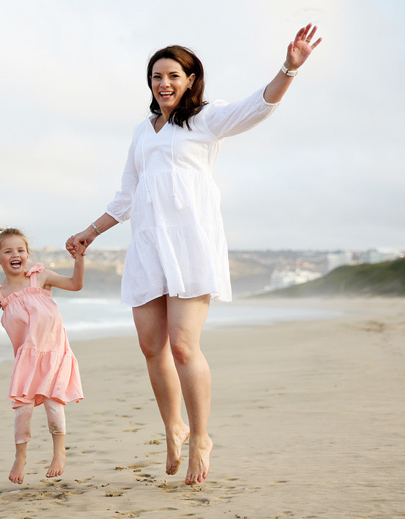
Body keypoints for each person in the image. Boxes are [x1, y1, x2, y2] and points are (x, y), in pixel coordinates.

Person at [66, 25, 322, 485]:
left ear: (190, 80)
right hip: (148, 245)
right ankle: (174, 426)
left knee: (183, 346)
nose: (163, 83)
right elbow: (127, 195)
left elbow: (258, 106)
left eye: (172, 76)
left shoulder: (205, 119)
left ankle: (201, 437)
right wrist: (90, 232)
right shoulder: (142, 132)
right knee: (151, 345)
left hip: (190, 244)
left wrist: (288, 68)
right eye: (156, 76)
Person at [0, 228, 84, 484]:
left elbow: (75, 284)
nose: (15, 254)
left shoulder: (40, 277)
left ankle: (59, 453)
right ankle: (20, 456)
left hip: (54, 352)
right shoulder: (0, 293)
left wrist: (79, 258)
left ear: (27, 254)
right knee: (22, 408)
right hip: (27, 359)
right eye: (8, 251)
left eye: (20, 250)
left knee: (54, 404)